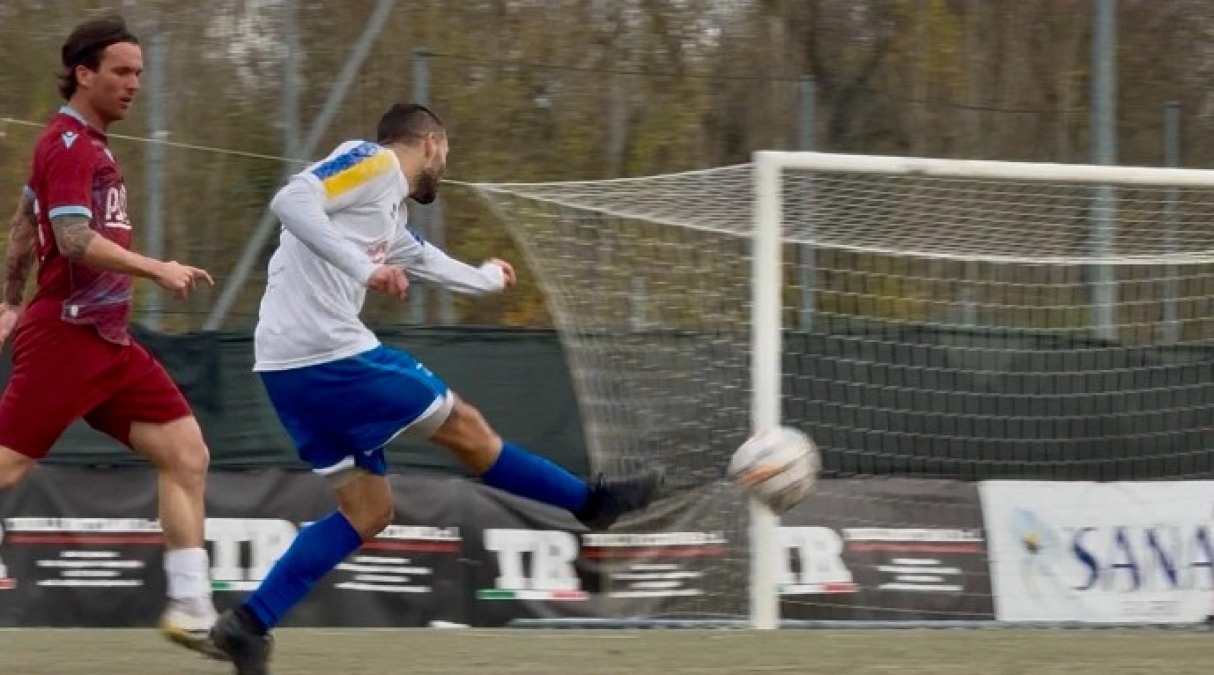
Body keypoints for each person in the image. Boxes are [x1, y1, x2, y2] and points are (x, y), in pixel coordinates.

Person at [208, 102, 662, 673]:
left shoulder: (387, 218)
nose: (445, 165)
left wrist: (487, 279)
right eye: (445, 153)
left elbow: (427, 261)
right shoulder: (370, 163)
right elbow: (291, 200)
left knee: (368, 512)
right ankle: (590, 503)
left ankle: (247, 625)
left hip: (284, 367)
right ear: (427, 143)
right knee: (466, 428)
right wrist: (363, 269)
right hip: (328, 355)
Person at [0, 15, 221, 658]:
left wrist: (9, 300)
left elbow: (22, 224)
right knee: (8, 469)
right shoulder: (66, 145)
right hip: (67, 339)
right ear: (83, 73)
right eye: (121, 72)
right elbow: (69, 239)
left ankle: (191, 607)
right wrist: (158, 268)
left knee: (187, 454)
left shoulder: (91, 146)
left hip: (108, 341)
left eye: (138, 74)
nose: (133, 84)